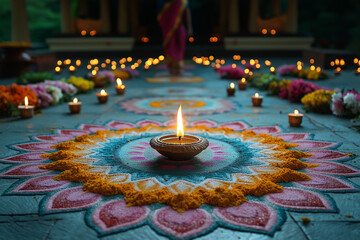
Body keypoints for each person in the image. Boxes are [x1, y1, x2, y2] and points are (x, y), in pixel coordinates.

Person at [157, 0, 193, 75]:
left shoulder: (182, 1)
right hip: (168, 28)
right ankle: (172, 67)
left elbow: (187, 11)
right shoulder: (164, 2)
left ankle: (179, 67)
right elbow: (161, 14)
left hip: (180, 27)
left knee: (180, 45)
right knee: (170, 46)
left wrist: (189, 27)